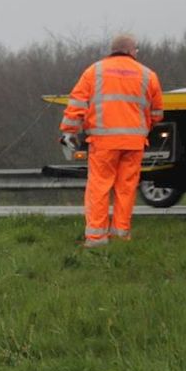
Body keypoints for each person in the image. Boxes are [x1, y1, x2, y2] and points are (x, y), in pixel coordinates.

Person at [59, 33, 164, 247]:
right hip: (134, 143)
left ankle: (97, 238)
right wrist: (143, 128)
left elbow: (77, 104)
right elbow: (157, 113)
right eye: (136, 49)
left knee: (99, 187)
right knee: (125, 190)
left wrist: (69, 131)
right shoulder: (148, 75)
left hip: (103, 142)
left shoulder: (94, 72)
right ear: (130, 50)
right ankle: (121, 235)